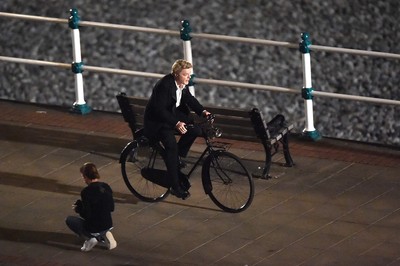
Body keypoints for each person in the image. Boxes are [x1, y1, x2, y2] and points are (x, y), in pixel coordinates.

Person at [144, 59, 211, 200]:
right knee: (171, 147)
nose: (189, 77)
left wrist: (203, 111)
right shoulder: (164, 85)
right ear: (176, 74)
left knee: (196, 130)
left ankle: (177, 157)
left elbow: (189, 99)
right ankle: (175, 186)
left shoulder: (180, 84)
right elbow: (160, 110)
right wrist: (176, 123)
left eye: (190, 75)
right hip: (158, 122)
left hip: (172, 116)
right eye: (186, 74)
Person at [65, 162, 117, 252]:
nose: (83, 180)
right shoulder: (106, 186)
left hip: (95, 226)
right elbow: (112, 208)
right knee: (101, 226)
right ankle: (105, 234)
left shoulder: (86, 192)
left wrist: (78, 209)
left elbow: (88, 215)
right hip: (108, 224)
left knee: (70, 220)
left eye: (83, 177)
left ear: (86, 176)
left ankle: (91, 238)